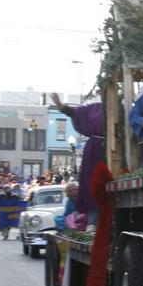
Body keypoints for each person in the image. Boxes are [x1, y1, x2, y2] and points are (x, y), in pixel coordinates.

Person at [48, 92, 104, 231]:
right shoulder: (94, 108)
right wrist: (60, 105)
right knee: (92, 184)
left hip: (115, 147)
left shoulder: (119, 106)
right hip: (95, 151)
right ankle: (92, 222)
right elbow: (75, 113)